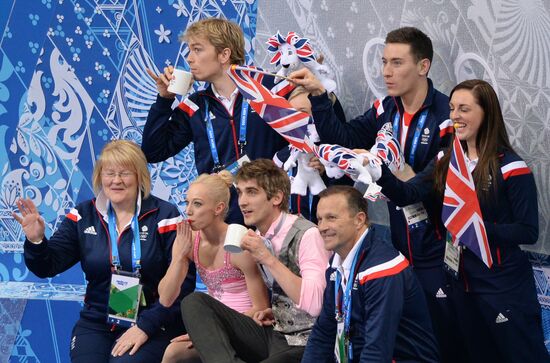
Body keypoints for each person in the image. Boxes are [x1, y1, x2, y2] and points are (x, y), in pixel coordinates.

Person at [289, 27, 461, 361]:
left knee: (442, 339)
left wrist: (386, 170)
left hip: (437, 248)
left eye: (397, 62)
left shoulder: (444, 114)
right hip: (398, 241)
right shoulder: (386, 108)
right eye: (384, 62)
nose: (386, 71)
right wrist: (320, 97)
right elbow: (343, 135)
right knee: (397, 340)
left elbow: (424, 186)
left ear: (423, 66)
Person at [373, 79, 549, 362]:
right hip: (460, 280)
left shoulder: (512, 167)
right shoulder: (445, 158)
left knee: (520, 354)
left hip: (502, 283)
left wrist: (473, 230)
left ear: (486, 113)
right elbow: (410, 193)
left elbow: (528, 231)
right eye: (453, 108)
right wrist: (377, 172)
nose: (455, 115)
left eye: (464, 109)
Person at [13, 140, 196, 363]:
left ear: (140, 176)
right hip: (97, 322)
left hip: (156, 322)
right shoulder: (83, 214)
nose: (116, 180)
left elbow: (184, 284)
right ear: (100, 176)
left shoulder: (165, 215)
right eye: (110, 173)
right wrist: (36, 241)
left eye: (125, 173)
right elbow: (48, 266)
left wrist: (146, 326)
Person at [142, 18, 293, 224]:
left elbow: (308, 137)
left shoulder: (269, 88)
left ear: (224, 54)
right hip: (223, 220)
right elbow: (154, 151)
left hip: (273, 214)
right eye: (189, 50)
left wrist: (277, 161)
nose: (189, 58)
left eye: (197, 49)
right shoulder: (196, 106)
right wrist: (164, 99)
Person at [180, 159, 330, 362]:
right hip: (275, 332)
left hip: (307, 342)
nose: (242, 201)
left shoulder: (307, 234)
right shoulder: (258, 235)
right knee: (194, 303)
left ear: (276, 198)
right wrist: (273, 312)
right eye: (240, 192)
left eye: (251, 192)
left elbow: (315, 305)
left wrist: (268, 259)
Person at [302, 185, 439, 362]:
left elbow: (377, 349)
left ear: (359, 220)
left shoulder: (383, 269)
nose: (322, 227)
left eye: (331, 218)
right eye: (320, 219)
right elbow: (323, 333)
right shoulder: (336, 265)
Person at [158, 171, 269, 363]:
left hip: (247, 326)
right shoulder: (188, 240)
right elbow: (166, 299)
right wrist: (178, 257)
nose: (189, 211)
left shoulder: (239, 243)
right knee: (172, 353)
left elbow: (261, 307)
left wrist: (208, 334)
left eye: (197, 204)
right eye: (187, 202)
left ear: (218, 208)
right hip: (210, 323)